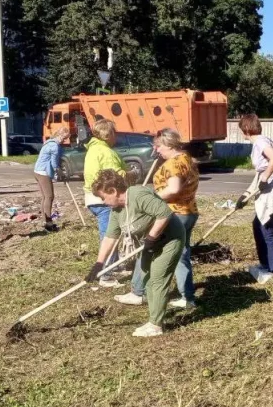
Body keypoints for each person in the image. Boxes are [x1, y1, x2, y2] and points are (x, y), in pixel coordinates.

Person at [85, 169, 185, 337]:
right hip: (149, 243)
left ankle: (156, 325)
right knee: (147, 277)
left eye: (103, 197)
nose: (103, 201)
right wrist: (99, 264)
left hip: (169, 239)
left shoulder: (137, 195)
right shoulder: (117, 211)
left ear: (113, 191)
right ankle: (154, 314)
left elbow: (164, 213)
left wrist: (152, 237)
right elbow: (110, 237)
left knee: (158, 279)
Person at [119, 128, 200, 309]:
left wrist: (151, 199)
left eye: (158, 147)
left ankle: (138, 292)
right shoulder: (186, 158)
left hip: (174, 214)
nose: (156, 151)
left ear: (167, 145)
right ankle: (187, 297)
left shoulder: (172, 164)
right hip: (189, 212)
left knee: (148, 249)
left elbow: (174, 188)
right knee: (182, 255)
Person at [237, 114, 273, 284]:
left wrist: (264, 180)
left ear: (246, 130)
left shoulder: (260, 142)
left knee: (267, 231)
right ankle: (265, 264)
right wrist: (245, 196)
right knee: (258, 225)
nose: (242, 134)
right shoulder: (262, 141)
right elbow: (260, 173)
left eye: (242, 130)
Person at [82, 119, 127, 286]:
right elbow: (115, 175)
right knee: (109, 235)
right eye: (114, 132)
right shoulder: (106, 152)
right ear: (108, 135)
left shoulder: (93, 149)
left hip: (93, 199)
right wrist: (129, 173)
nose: (116, 136)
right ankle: (105, 274)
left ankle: (114, 265)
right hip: (104, 200)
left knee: (110, 231)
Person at [34, 126, 70, 232]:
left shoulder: (49, 142)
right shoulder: (54, 146)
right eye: (64, 138)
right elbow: (54, 163)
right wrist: (60, 173)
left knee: (45, 197)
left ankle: (45, 221)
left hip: (37, 171)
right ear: (59, 135)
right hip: (43, 172)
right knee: (49, 197)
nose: (64, 141)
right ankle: (49, 224)